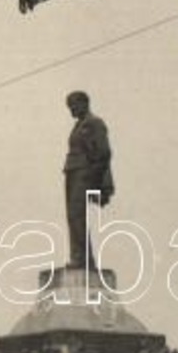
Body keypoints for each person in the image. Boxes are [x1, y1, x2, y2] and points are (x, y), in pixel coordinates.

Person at [63, 91, 113, 270]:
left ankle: (81, 259)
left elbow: (104, 152)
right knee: (73, 216)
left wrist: (94, 178)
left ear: (85, 103)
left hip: (84, 174)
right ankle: (80, 257)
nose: (72, 110)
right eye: (70, 107)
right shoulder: (79, 126)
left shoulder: (95, 123)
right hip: (73, 173)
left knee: (77, 215)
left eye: (74, 105)